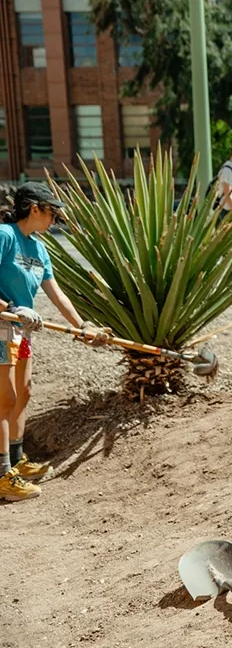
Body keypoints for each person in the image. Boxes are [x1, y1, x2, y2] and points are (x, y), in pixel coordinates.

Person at [0, 183, 109, 502]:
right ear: (34, 208)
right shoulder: (5, 236)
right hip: (4, 325)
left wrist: (83, 326)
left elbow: (56, 293)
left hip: (23, 328)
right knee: (4, 399)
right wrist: (10, 308)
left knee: (24, 392)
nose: (55, 218)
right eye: (52, 211)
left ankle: (17, 458)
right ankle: (3, 475)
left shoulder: (40, 249)